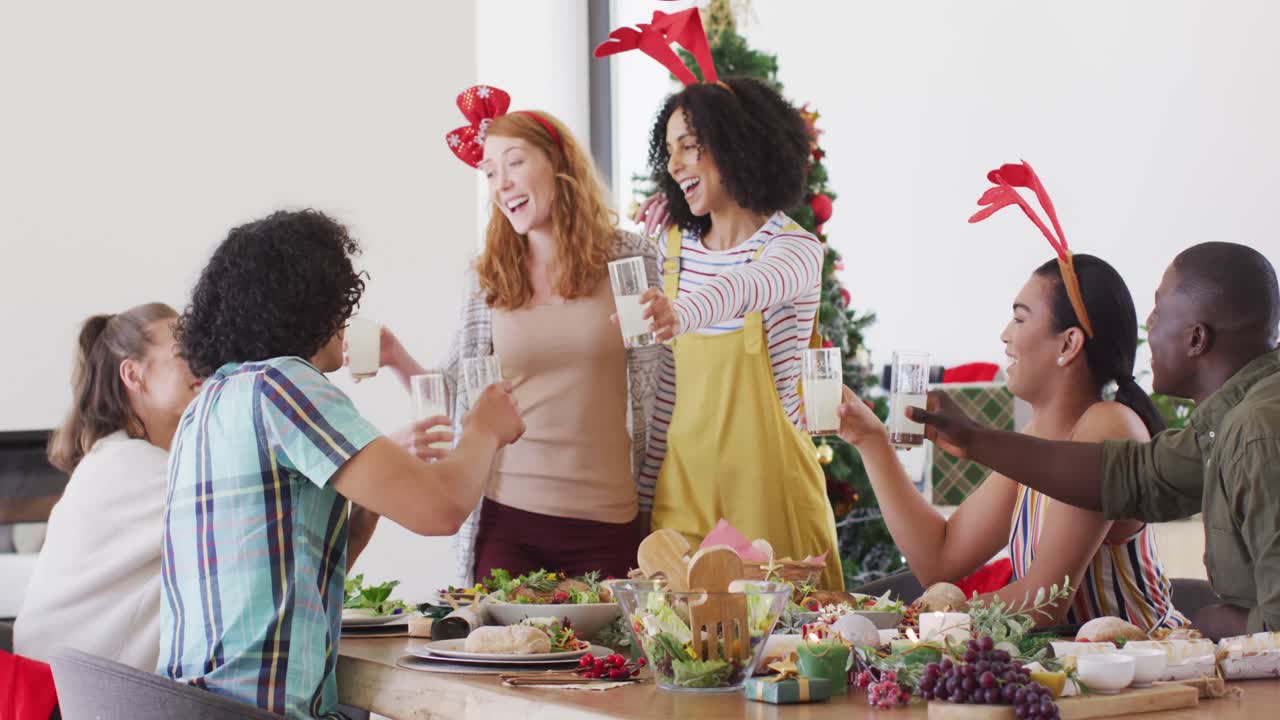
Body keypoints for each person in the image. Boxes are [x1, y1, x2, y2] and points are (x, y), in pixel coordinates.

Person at [159, 209, 524, 719]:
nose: (346, 321)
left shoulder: (212, 402)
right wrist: (484, 429)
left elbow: (294, 575)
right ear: (310, 303)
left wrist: (373, 499)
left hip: (200, 705)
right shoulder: (284, 385)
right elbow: (440, 512)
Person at [834, 162, 1186, 627]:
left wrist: (915, 621)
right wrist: (872, 441)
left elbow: (1046, 600)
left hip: (1153, 678)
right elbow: (939, 559)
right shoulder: (1037, 442)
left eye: (1020, 318)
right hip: (1074, 682)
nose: (1004, 335)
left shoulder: (1109, 425)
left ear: (1068, 344)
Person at [910, 240, 1280, 639]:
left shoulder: (1257, 433)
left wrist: (1222, 624)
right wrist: (973, 440)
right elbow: (1129, 478)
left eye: (1159, 313)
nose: (1149, 325)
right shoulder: (1222, 430)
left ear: (1196, 339)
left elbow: (1044, 602)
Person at [596, 9, 843, 588]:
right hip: (681, 500)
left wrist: (680, 311)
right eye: (670, 151)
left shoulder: (794, 251)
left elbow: (743, 290)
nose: (675, 164)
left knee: (783, 660)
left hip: (773, 501)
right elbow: (659, 390)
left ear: (736, 145)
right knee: (682, 654)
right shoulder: (667, 246)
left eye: (690, 146)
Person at [373, 86, 660, 583]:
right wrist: (394, 354)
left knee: (608, 662)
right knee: (501, 660)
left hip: (608, 522)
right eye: (489, 172)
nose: (501, 183)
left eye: (514, 163)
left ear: (557, 162)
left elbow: (669, 378)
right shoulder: (489, 276)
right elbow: (462, 399)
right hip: (510, 521)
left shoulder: (630, 259)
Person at [15, 303, 201, 669]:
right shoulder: (130, 467)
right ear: (134, 376)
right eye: (183, 352)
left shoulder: (120, 459)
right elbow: (253, 516)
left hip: (72, 692)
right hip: (68, 699)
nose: (203, 360)